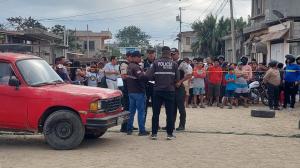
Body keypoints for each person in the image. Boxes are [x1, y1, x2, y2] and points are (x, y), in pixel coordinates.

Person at [146, 46, 179, 140]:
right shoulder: (174, 64)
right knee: (170, 113)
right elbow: (177, 78)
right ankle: (169, 134)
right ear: (169, 53)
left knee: (156, 113)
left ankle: (154, 134)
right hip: (170, 91)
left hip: (157, 91)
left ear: (161, 53)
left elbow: (148, 75)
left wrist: (155, 79)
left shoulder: (156, 63)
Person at [126, 51, 149, 136]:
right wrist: (147, 75)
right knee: (141, 112)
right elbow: (142, 77)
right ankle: (142, 130)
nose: (140, 58)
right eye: (139, 57)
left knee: (131, 112)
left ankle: (129, 129)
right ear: (135, 57)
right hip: (138, 92)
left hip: (131, 92)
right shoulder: (136, 67)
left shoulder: (129, 66)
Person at [170, 48, 192, 131]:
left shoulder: (182, 63)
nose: (172, 55)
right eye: (171, 54)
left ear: (178, 54)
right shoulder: (170, 62)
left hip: (179, 87)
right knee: (172, 108)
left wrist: (180, 81)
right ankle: (170, 124)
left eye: (174, 54)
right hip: (171, 87)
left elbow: (189, 75)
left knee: (181, 107)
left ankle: (182, 125)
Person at [143, 48, 156, 125]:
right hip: (146, 87)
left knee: (156, 107)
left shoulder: (158, 62)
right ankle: (142, 124)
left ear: (155, 54)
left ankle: (155, 124)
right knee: (144, 107)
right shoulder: (143, 63)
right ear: (147, 54)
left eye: (152, 53)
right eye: (149, 53)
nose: (151, 55)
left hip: (155, 87)